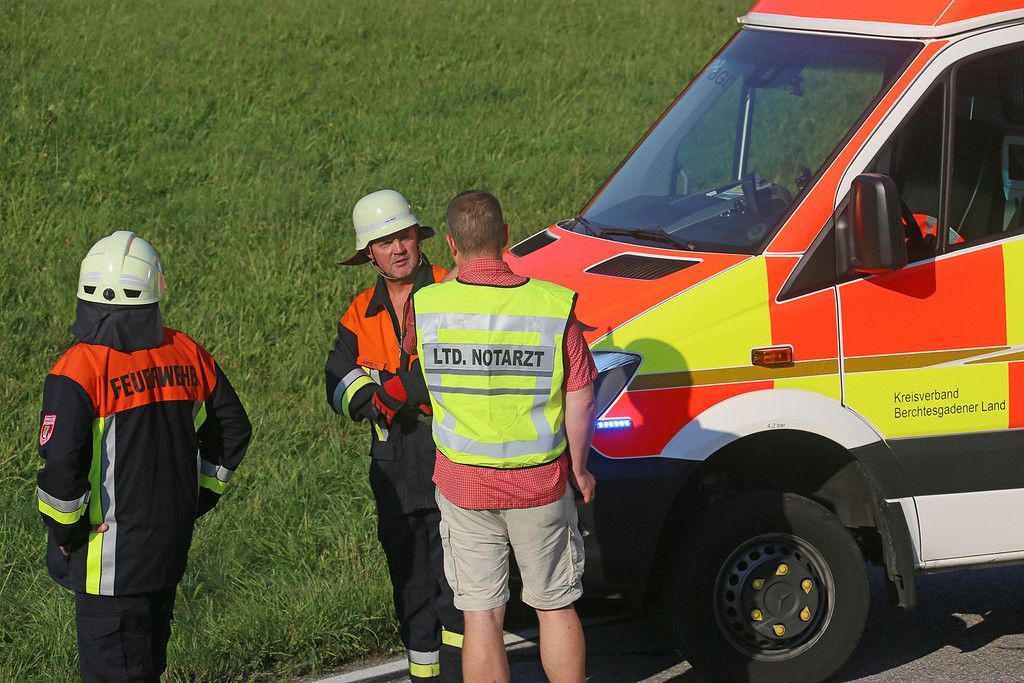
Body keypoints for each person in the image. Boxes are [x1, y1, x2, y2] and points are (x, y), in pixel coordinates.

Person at [36, 231, 252, 682]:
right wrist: (197, 499)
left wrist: (67, 532)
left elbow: (61, 468)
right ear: (155, 288)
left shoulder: (78, 368)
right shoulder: (187, 353)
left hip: (108, 566)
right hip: (166, 554)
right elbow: (232, 430)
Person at [404, 190, 598, 683]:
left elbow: (415, 361)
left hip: (464, 486)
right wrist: (579, 468)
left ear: (451, 244)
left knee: (482, 615)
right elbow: (580, 393)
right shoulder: (552, 305)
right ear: (507, 237)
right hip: (541, 484)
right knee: (555, 604)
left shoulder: (426, 306)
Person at [324, 189, 463, 682]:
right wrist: (381, 396)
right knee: (411, 589)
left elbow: (464, 364)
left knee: (458, 591)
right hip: (394, 470)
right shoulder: (359, 312)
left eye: (404, 236)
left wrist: (403, 387)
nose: (398, 249)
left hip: (450, 461)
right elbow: (337, 380)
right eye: (385, 243)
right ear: (370, 254)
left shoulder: (452, 288)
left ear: (418, 237)